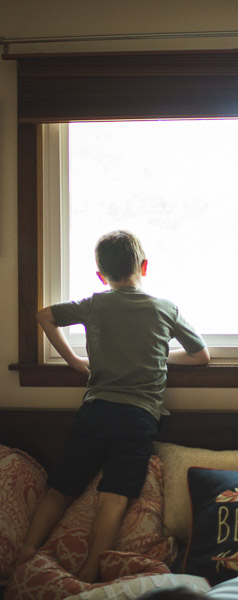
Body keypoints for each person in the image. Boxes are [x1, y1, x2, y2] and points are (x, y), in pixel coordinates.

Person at [16, 230, 210, 583]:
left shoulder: (95, 303)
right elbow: (201, 356)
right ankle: (91, 569)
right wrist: (159, 359)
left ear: (100, 275)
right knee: (115, 496)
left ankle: (27, 550)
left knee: (61, 487)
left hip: (95, 410)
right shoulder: (165, 308)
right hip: (137, 418)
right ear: (144, 266)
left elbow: (44, 316)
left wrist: (75, 361)